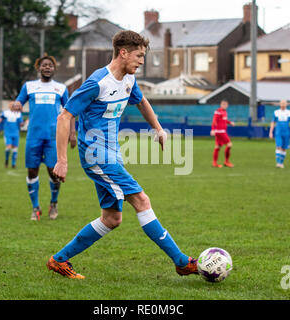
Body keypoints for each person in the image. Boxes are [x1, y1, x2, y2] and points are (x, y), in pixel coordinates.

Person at [47, 30, 198, 279]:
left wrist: (158, 129)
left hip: (112, 154)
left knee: (111, 218)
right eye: (139, 56)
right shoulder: (98, 82)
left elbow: (141, 102)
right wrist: (62, 160)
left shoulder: (128, 80)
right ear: (123, 52)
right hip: (96, 156)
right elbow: (65, 116)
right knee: (142, 201)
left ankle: (59, 260)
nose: (141, 61)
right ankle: (181, 261)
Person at [12, 54, 76, 221]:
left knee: (53, 172)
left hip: (53, 138)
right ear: (38, 68)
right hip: (33, 136)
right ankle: (35, 207)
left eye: (50, 65)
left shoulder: (61, 88)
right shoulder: (29, 86)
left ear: (54, 69)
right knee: (32, 171)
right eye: (44, 65)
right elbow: (18, 102)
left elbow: (70, 112)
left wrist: (72, 133)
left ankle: (53, 203)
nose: (47, 67)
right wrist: (16, 104)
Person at [0, 102, 23, 168]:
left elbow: (21, 124)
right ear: (9, 106)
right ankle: (6, 160)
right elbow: (0, 119)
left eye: (14, 105)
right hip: (8, 133)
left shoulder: (18, 114)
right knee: (8, 147)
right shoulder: (6, 113)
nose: (12, 106)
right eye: (11, 105)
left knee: (15, 149)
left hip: (16, 134)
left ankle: (13, 164)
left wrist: (24, 123)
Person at [269, 100, 290, 168]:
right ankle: (278, 162)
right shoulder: (276, 112)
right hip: (278, 132)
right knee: (278, 146)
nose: (283, 104)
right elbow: (273, 122)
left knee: (284, 148)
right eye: (282, 103)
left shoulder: (289, 112)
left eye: (284, 103)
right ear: (280, 104)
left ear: (286, 104)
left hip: (286, 133)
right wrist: (270, 132)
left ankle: (281, 163)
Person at [210, 99, 235, 168]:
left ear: (227, 105)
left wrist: (230, 122)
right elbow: (214, 120)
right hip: (221, 132)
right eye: (223, 104)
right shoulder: (218, 111)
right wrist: (212, 129)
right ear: (221, 104)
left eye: (225, 104)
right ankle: (226, 162)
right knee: (229, 145)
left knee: (217, 147)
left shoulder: (224, 112)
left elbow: (224, 120)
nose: (224, 105)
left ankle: (214, 163)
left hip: (221, 132)